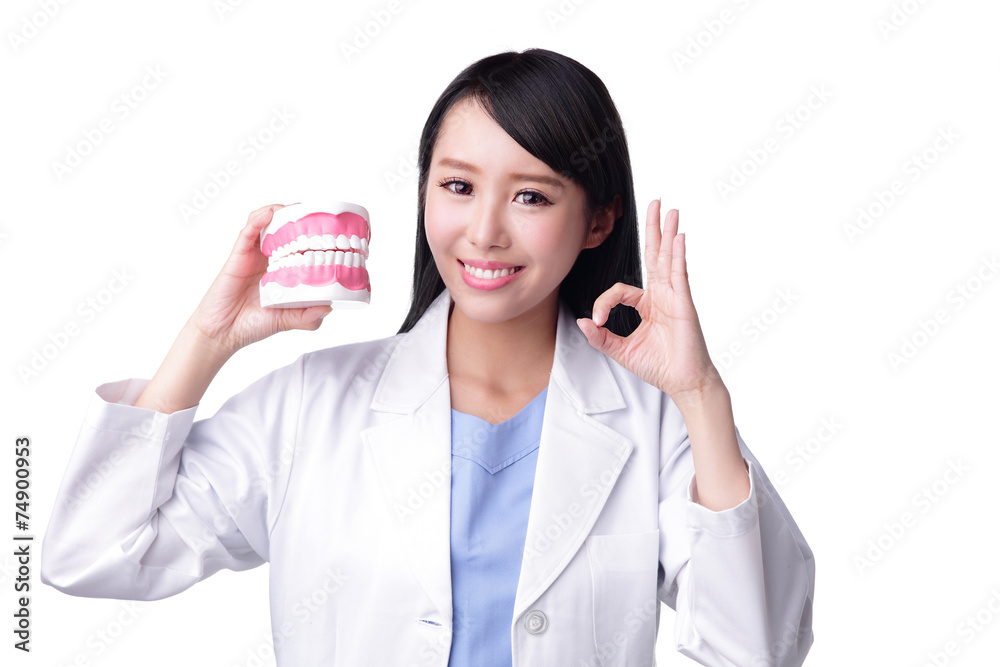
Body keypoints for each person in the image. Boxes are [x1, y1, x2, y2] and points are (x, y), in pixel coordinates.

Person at [41, 48, 815, 666]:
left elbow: (760, 646)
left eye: (532, 196)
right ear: (424, 194)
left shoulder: (656, 424)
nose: (484, 232)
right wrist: (209, 338)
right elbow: (90, 552)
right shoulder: (310, 406)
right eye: (458, 186)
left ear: (597, 220)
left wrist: (701, 394)